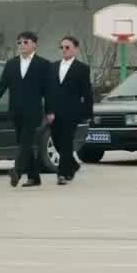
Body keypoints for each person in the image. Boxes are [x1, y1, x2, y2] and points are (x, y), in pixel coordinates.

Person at [0, 31, 55, 188]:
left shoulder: (43, 64)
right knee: (24, 144)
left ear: (34, 45)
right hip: (16, 111)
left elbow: (49, 90)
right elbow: (2, 84)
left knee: (25, 140)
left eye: (25, 42)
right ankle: (34, 177)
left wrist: (50, 111)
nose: (22, 45)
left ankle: (17, 171)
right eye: (19, 42)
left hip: (33, 111)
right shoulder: (11, 64)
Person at [47, 35, 93, 185]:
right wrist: (49, 110)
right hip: (55, 111)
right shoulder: (53, 66)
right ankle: (72, 165)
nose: (64, 50)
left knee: (66, 141)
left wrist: (88, 113)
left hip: (72, 111)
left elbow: (87, 92)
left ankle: (62, 174)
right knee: (56, 140)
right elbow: (48, 91)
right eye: (62, 47)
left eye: (67, 47)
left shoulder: (82, 68)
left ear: (75, 49)